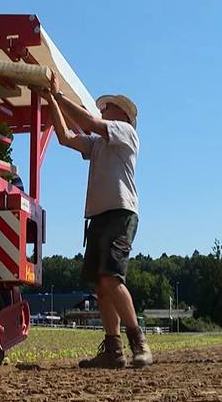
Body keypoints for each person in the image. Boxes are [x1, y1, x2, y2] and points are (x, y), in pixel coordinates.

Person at [44, 75, 152, 368]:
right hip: (99, 215)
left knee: (111, 278)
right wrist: (51, 100)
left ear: (123, 115)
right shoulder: (100, 144)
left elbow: (90, 123)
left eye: (108, 108)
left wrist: (59, 95)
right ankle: (113, 350)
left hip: (120, 212)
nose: (102, 110)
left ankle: (138, 341)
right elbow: (66, 137)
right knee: (101, 286)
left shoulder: (126, 133)